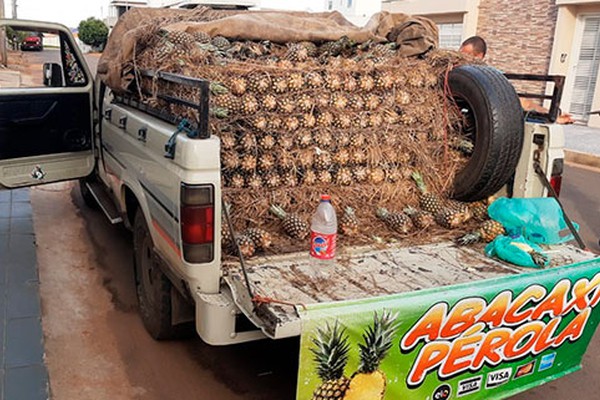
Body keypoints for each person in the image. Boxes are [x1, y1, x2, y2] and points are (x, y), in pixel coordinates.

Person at [459, 36, 574, 124]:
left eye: (466, 55)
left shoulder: (493, 77)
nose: (460, 59)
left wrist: (552, 114)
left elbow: (522, 102)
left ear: (479, 56)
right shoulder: (456, 72)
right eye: (460, 54)